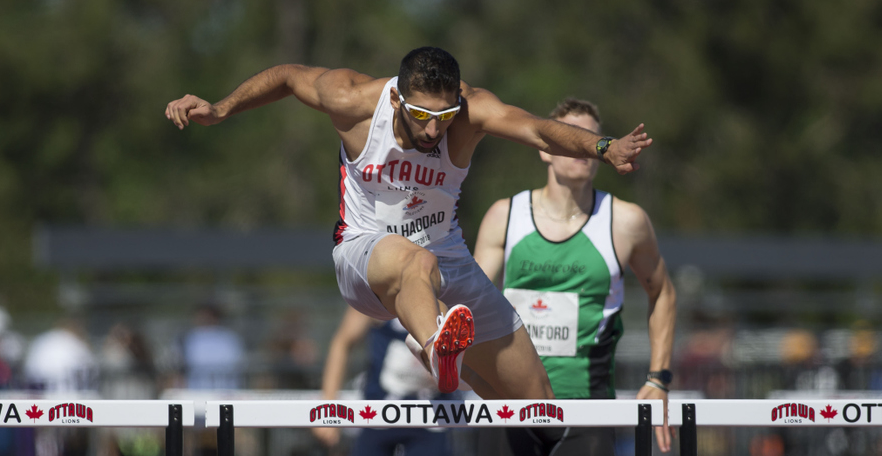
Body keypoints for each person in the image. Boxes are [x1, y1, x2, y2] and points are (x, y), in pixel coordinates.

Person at [165, 47, 653, 398]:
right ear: (398, 99)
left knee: (537, 400)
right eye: (421, 115)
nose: (432, 130)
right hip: (364, 254)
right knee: (413, 261)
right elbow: (291, 77)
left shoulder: (469, 112)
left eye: (444, 117)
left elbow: (534, 127)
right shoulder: (354, 100)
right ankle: (434, 344)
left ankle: (448, 358)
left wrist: (603, 147)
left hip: (448, 256)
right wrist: (222, 107)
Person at [472, 98, 676, 456]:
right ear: (545, 149)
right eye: (573, 139)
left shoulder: (625, 221)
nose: (584, 148)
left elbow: (663, 293)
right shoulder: (505, 216)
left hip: (584, 410)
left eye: (592, 141)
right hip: (511, 406)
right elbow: (469, 301)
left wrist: (657, 379)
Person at [312, 306, 452, 456]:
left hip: (431, 417)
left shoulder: (448, 290)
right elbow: (342, 342)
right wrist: (327, 407)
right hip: (378, 415)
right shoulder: (379, 293)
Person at [180, 302, 245, 390]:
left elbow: (235, 363)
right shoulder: (190, 337)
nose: (204, 319)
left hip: (226, 391)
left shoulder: (229, 338)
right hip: (197, 391)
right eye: (201, 316)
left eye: (208, 316)